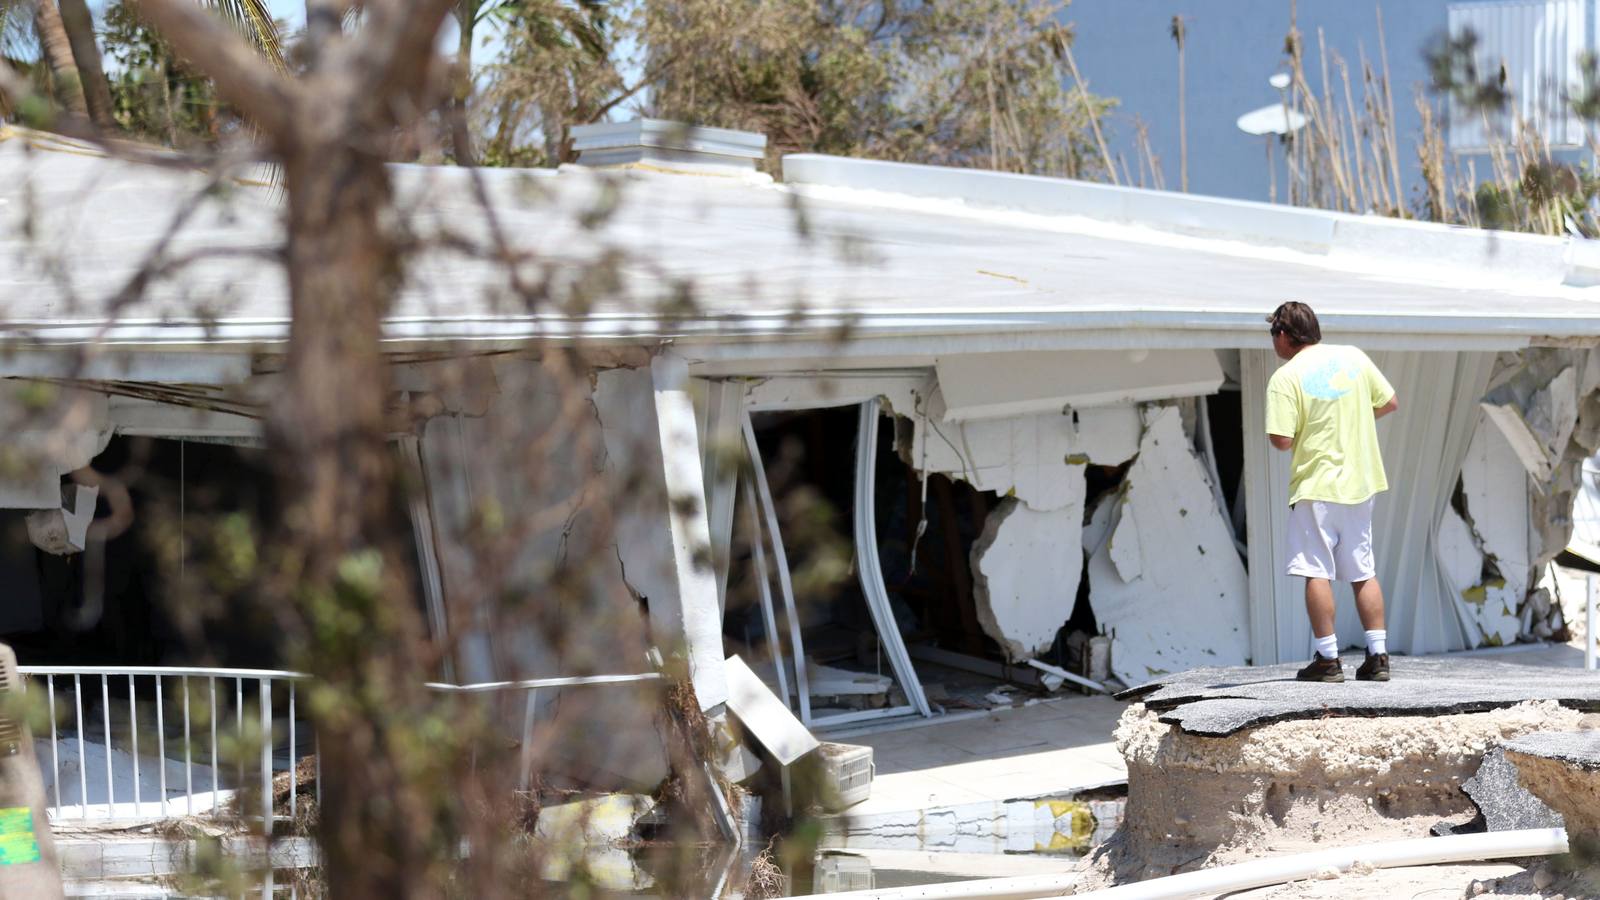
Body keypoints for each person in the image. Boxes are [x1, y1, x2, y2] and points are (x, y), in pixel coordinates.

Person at [1264, 301, 1400, 683]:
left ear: (1284, 335)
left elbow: (1281, 440)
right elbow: (1389, 402)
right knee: (1362, 569)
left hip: (1317, 484)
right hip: (1362, 481)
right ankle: (1378, 657)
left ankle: (1327, 659)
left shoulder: (1286, 377)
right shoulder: (1353, 357)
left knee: (1315, 569)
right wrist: (1352, 417)